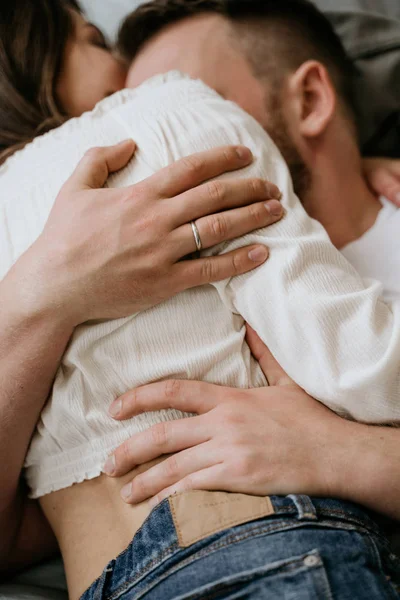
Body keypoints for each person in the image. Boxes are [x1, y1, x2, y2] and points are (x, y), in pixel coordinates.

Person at [2, 1, 400, 599]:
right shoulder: (176, 123)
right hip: (265, 552)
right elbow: (364, 366)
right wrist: (43, 292)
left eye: (197, 90)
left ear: (310, 101)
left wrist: (347, 454)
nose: (128, 90)